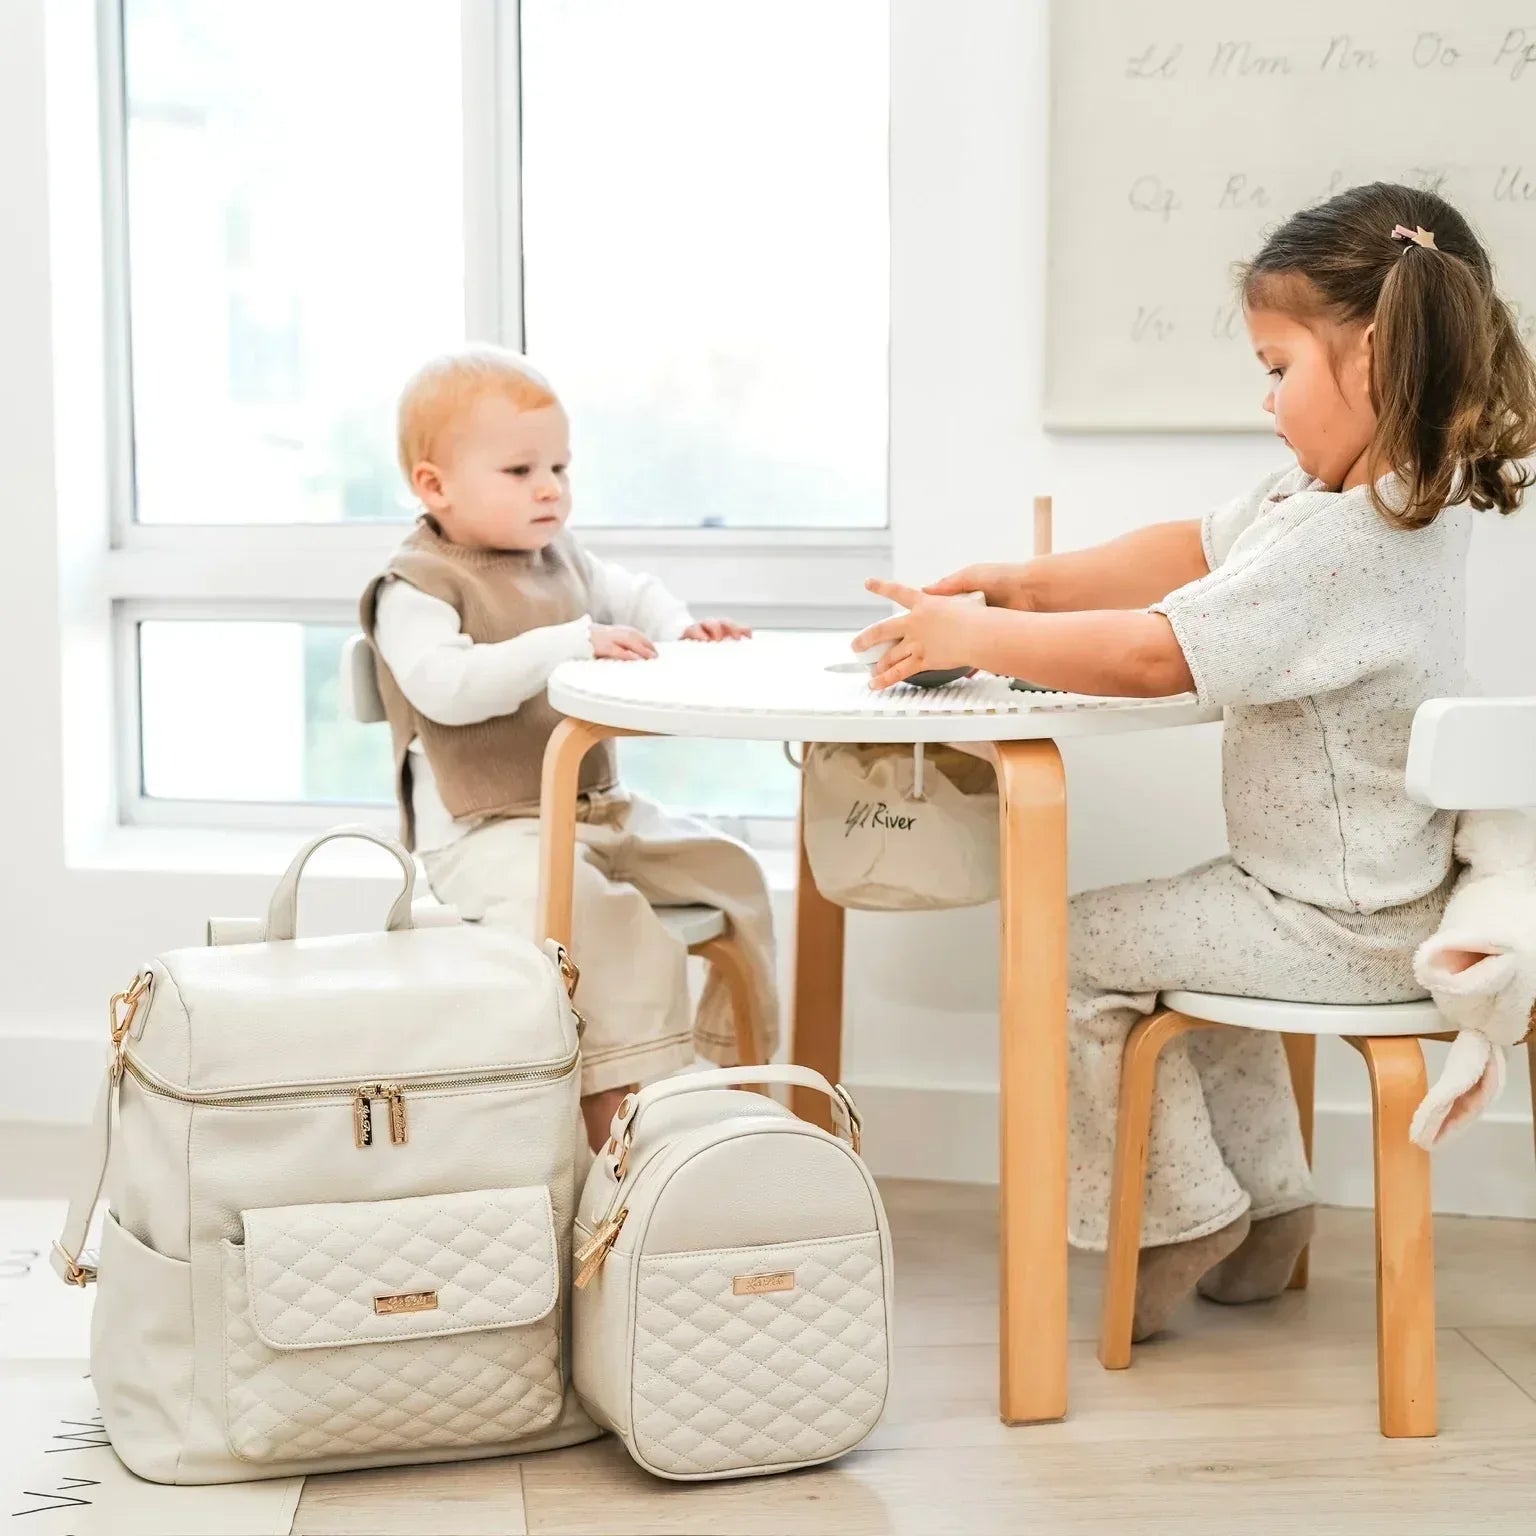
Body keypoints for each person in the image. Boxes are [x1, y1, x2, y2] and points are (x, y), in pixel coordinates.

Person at [855, 182, 1536, 1337]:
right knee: (1184, 939)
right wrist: (1023, 584)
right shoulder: (1361, 501)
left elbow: (1152, 653)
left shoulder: (1343, 544)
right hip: (1330, 897)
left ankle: (1180, 1216)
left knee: (1066, 946)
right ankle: (1266, 1213)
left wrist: (978, 637)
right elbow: (1182, 550)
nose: (1267, 401)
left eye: (1278, 369)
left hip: (1343, 925)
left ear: (1369, 358)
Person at [362, 346, 779, 1148]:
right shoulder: (415, 587)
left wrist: (680, 630)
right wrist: (567, 645)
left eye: (559, 464)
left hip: (596, 811)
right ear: (434, 485)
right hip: (491, 832)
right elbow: (445, 687)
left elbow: (633, 595)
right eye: (519, 470)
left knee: (734, 875)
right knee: (607, 922)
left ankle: (728, 1070)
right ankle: (613, 1110)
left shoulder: (561, 557)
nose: (550, 486)